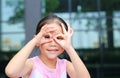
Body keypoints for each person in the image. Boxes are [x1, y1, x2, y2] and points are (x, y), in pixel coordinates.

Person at [5, 14, 90, 78]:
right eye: (46, 37)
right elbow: (11, 72)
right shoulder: (32, 64)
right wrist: (34, 41)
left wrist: (69, 47)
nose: (52, 43)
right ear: (38, 40)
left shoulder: (65, 65)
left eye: (59, 38)